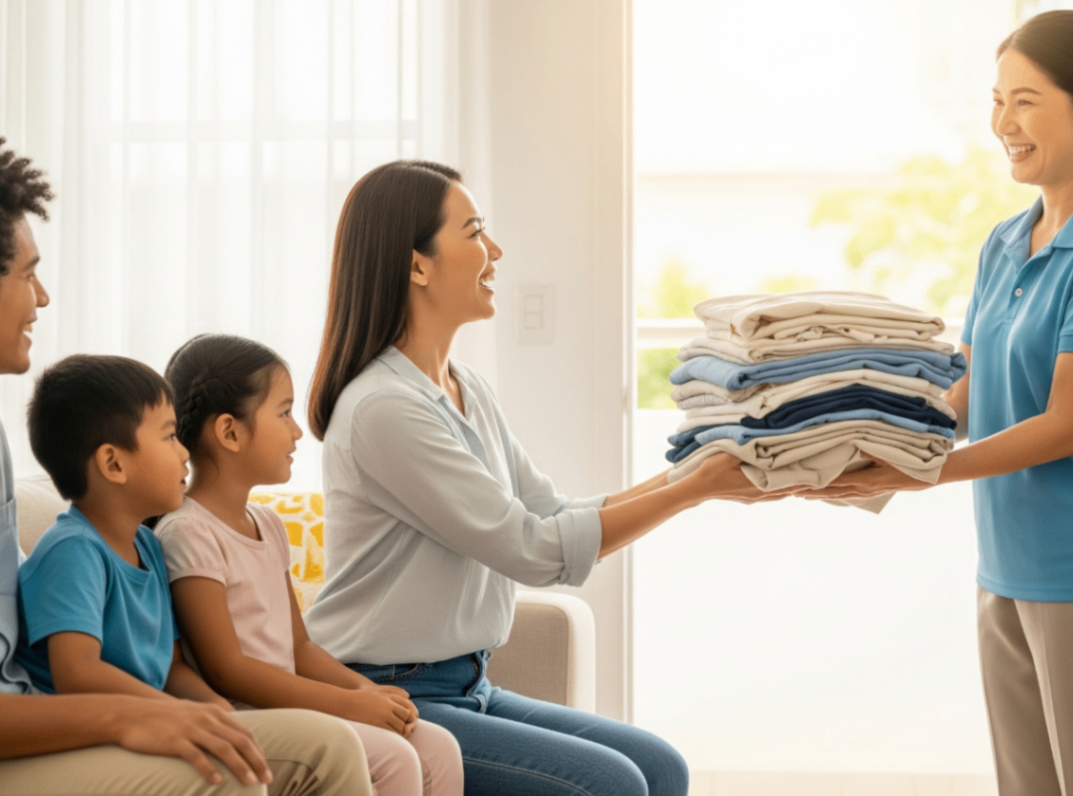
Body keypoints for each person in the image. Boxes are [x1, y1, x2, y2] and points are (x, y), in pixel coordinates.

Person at [0, 133, 370, 796]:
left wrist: (158, 705)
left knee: (326, 745)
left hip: (19, 728)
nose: (40, 297)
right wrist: (121, 715)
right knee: (227, 778)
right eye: (25, 273)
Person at [304, 160, 793, 796]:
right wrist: (694, 489)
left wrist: (691, 473)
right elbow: (531, 550)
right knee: (612, 785)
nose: (495, 251)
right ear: (417, 265)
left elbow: (547, 509)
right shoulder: (384, 409)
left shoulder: (462, 387)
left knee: (662, 767)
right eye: (475, 232)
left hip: (469, 684)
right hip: (391, 694)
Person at [807, 10, 1073, 796]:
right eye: (996, 100)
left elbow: (1068, 425)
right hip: (1006, 564)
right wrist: (871, 452)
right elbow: (968, 394)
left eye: (1027, 101)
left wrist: (918, 477)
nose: (1003, 123)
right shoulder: (1008, 239)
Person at [158, 333, 464, 796]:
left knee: (439, 747)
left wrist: (361, 691)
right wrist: (345, 703)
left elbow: (299, 647)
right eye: (283, 412)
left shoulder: (268, 524)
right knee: (394, 757)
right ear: (229, 432)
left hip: (298, 707)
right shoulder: (188, 532)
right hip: (252, 716)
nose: (297, 431)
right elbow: (228, 670)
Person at [14, 354, 233, 709]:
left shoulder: (147, 545)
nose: (184, 453)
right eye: (169, 436)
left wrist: (217, 710)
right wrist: (181, 716)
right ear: (114, 464)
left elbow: (171, 668)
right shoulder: (72, 551)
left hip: (149, 719)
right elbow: (78, 673)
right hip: (83, 735)